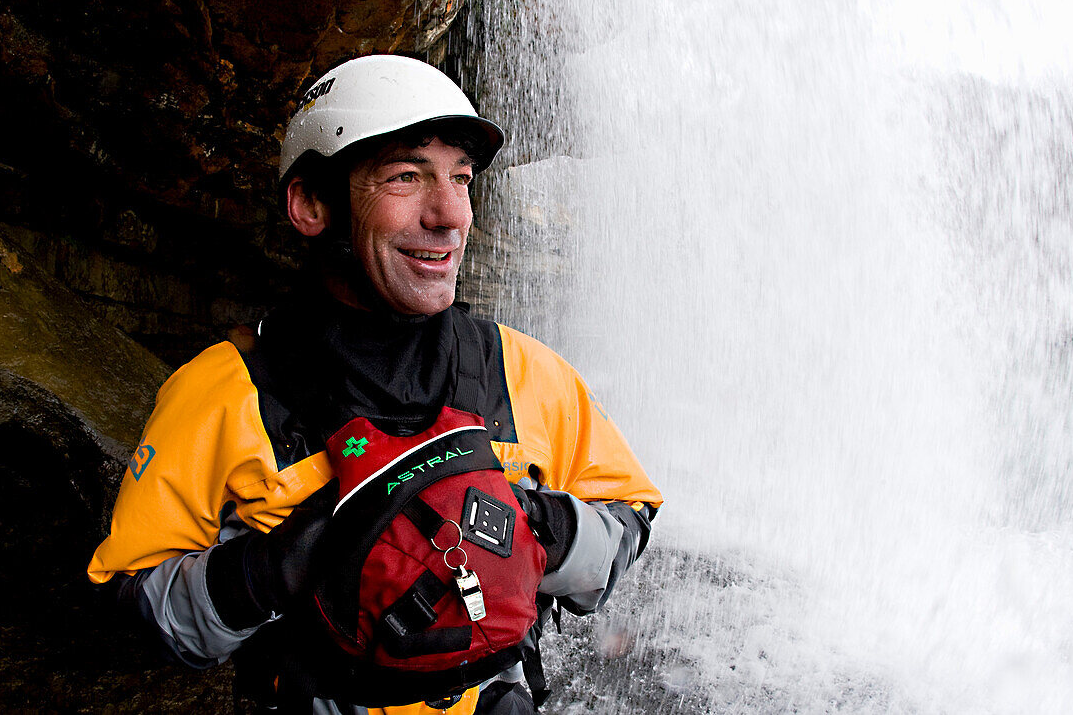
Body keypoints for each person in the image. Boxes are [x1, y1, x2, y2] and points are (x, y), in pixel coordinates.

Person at [87, 54, 662, 715]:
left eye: (461, 178)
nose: (449, 215)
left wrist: (535, 525)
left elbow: (630, 515)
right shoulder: (223, 394)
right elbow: (133, 607)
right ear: (311, 204)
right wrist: (273, 568)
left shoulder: (524, 370)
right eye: (405, 176)